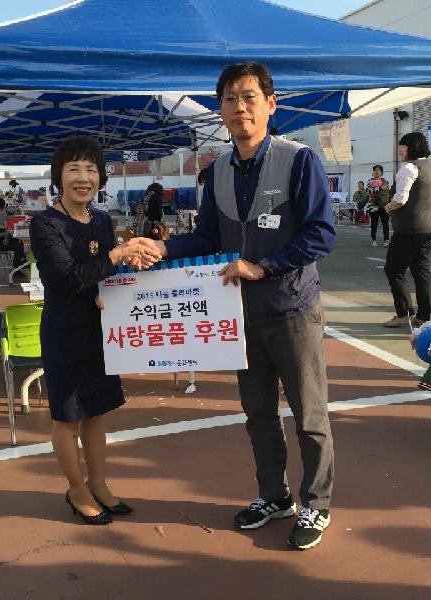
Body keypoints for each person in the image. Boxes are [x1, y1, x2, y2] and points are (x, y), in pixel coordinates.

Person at [139, 61, 336, 550]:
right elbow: (207, 238)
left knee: (310, 416)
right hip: (240, 315)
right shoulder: (218, 172)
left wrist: (263, 266)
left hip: (293, 310)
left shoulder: (300, 161)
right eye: (229, 99)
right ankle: (275, 495)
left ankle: (316, 503)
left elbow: (321, 234)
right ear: (221, 110)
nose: (239, 107)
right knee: (259, 414)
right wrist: (162, 247)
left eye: (249, 97)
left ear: (271, 104)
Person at [29, 135, 161, 526]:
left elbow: (105, 274)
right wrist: (117, 255)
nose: (83, 178)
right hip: (65, 332)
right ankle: (77, 490)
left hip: (100, 328)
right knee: (68, 418)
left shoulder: (102, 220)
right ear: (59, 177)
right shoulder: (45, 224)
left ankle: (99, 483)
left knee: (97, 413)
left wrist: (128, 270)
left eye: (91, 169)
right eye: (73, 169)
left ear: (101, 177)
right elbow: (67, 278)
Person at [382, 132, 431, 328]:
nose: (400, 149)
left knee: (394, 270)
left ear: (412, 148)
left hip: (410, 229)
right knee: (421, 271)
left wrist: (387, 207)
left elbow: (400, 199)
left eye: (403, 146)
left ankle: (404, 313)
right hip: (430, 227)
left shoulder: (409, 168)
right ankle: (423, 316)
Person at [366, 165, 390, 246]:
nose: (376, 171)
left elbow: (387, 194)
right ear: (373, 172)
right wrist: (381, 188)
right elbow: (369, 190)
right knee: (374, 223)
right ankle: (374, 240)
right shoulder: (370, 181)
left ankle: (386, 240)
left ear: (381, 173)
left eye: (378, 170)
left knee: (385, 223)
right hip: (374, 205)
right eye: (375, 170)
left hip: (384, 206)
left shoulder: (385, 182)